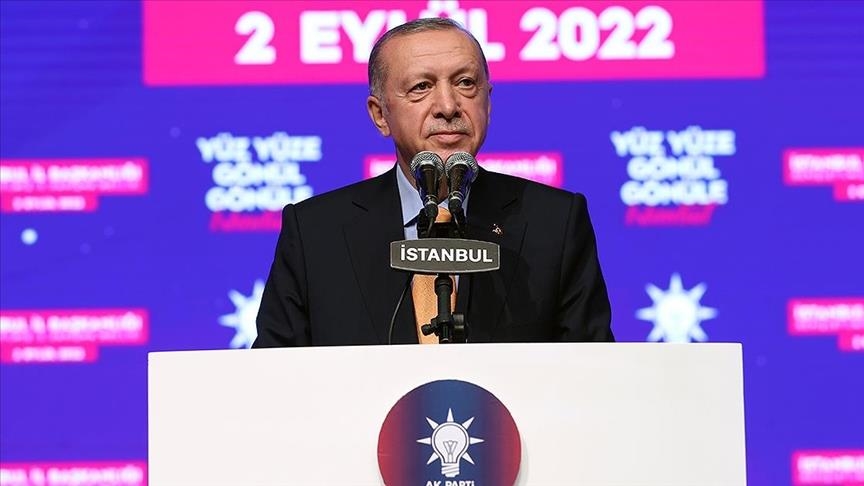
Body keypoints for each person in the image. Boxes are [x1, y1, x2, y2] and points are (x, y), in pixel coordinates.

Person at [253, 18, 613, 346]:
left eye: (465, 83)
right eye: (421, 87)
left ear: (488, 102)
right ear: (380, 115)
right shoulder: (315, 232)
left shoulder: (554, 222)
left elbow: (593, 373)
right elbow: (273, 377)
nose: (448, 106)